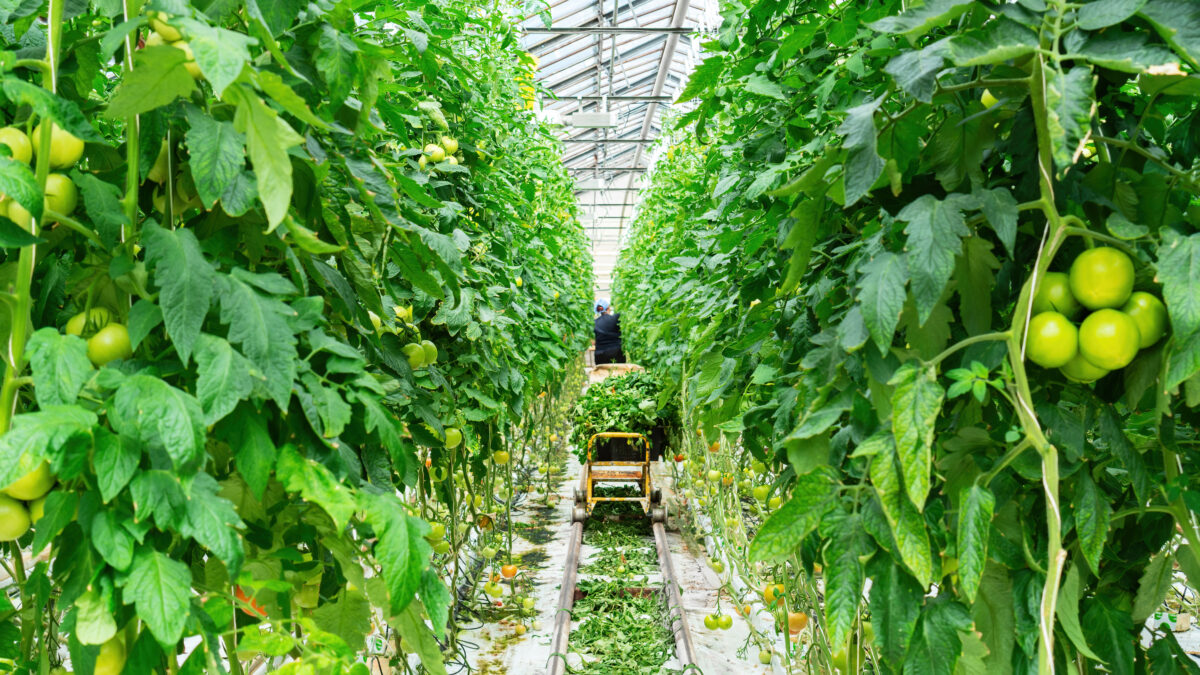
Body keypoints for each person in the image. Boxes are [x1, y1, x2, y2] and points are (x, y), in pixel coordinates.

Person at [593, 299, 624, 364]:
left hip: (600, 354)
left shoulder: (594, 323)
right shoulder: (616, 318)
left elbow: (593, 341)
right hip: (616, 353)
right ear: (609, 307)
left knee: (602, 373)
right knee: (619, 373)